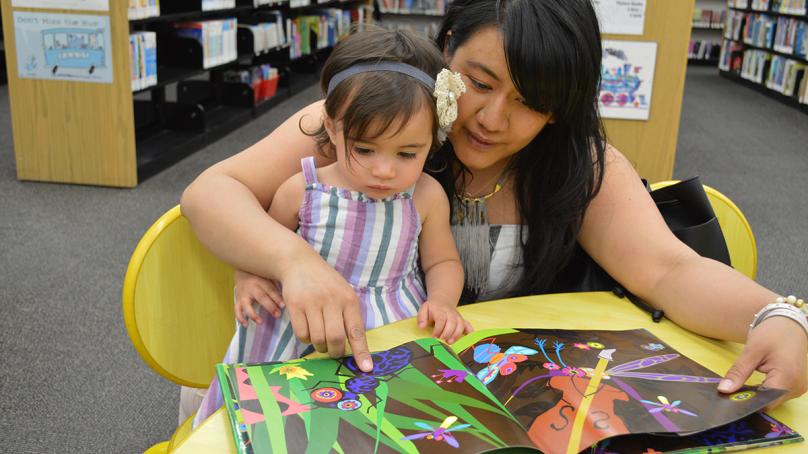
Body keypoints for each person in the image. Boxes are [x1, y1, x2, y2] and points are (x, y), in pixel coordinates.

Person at [181, 0, 807, 422]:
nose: (492, 118)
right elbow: (212, 190)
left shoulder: (576, 163)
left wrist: (777, 315)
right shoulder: (374, 122)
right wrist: (291, 260)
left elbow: (671, 271)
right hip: (328, 384)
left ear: (561, 108)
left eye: (530, 101)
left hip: (487, 408)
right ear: (447, 47)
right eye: (478, 82)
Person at [189, 27, 473, 426]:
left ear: (433, 139)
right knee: (278, 421)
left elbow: (442, 261)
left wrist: (442, 300)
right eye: (364, 149)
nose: (384, 169)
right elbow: (258, 240)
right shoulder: (304, 189)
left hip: (389, 328)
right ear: (334, 126)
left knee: (381, 424)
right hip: (296, 331)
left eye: (408, 152)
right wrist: (247, 276)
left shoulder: (425, 197)